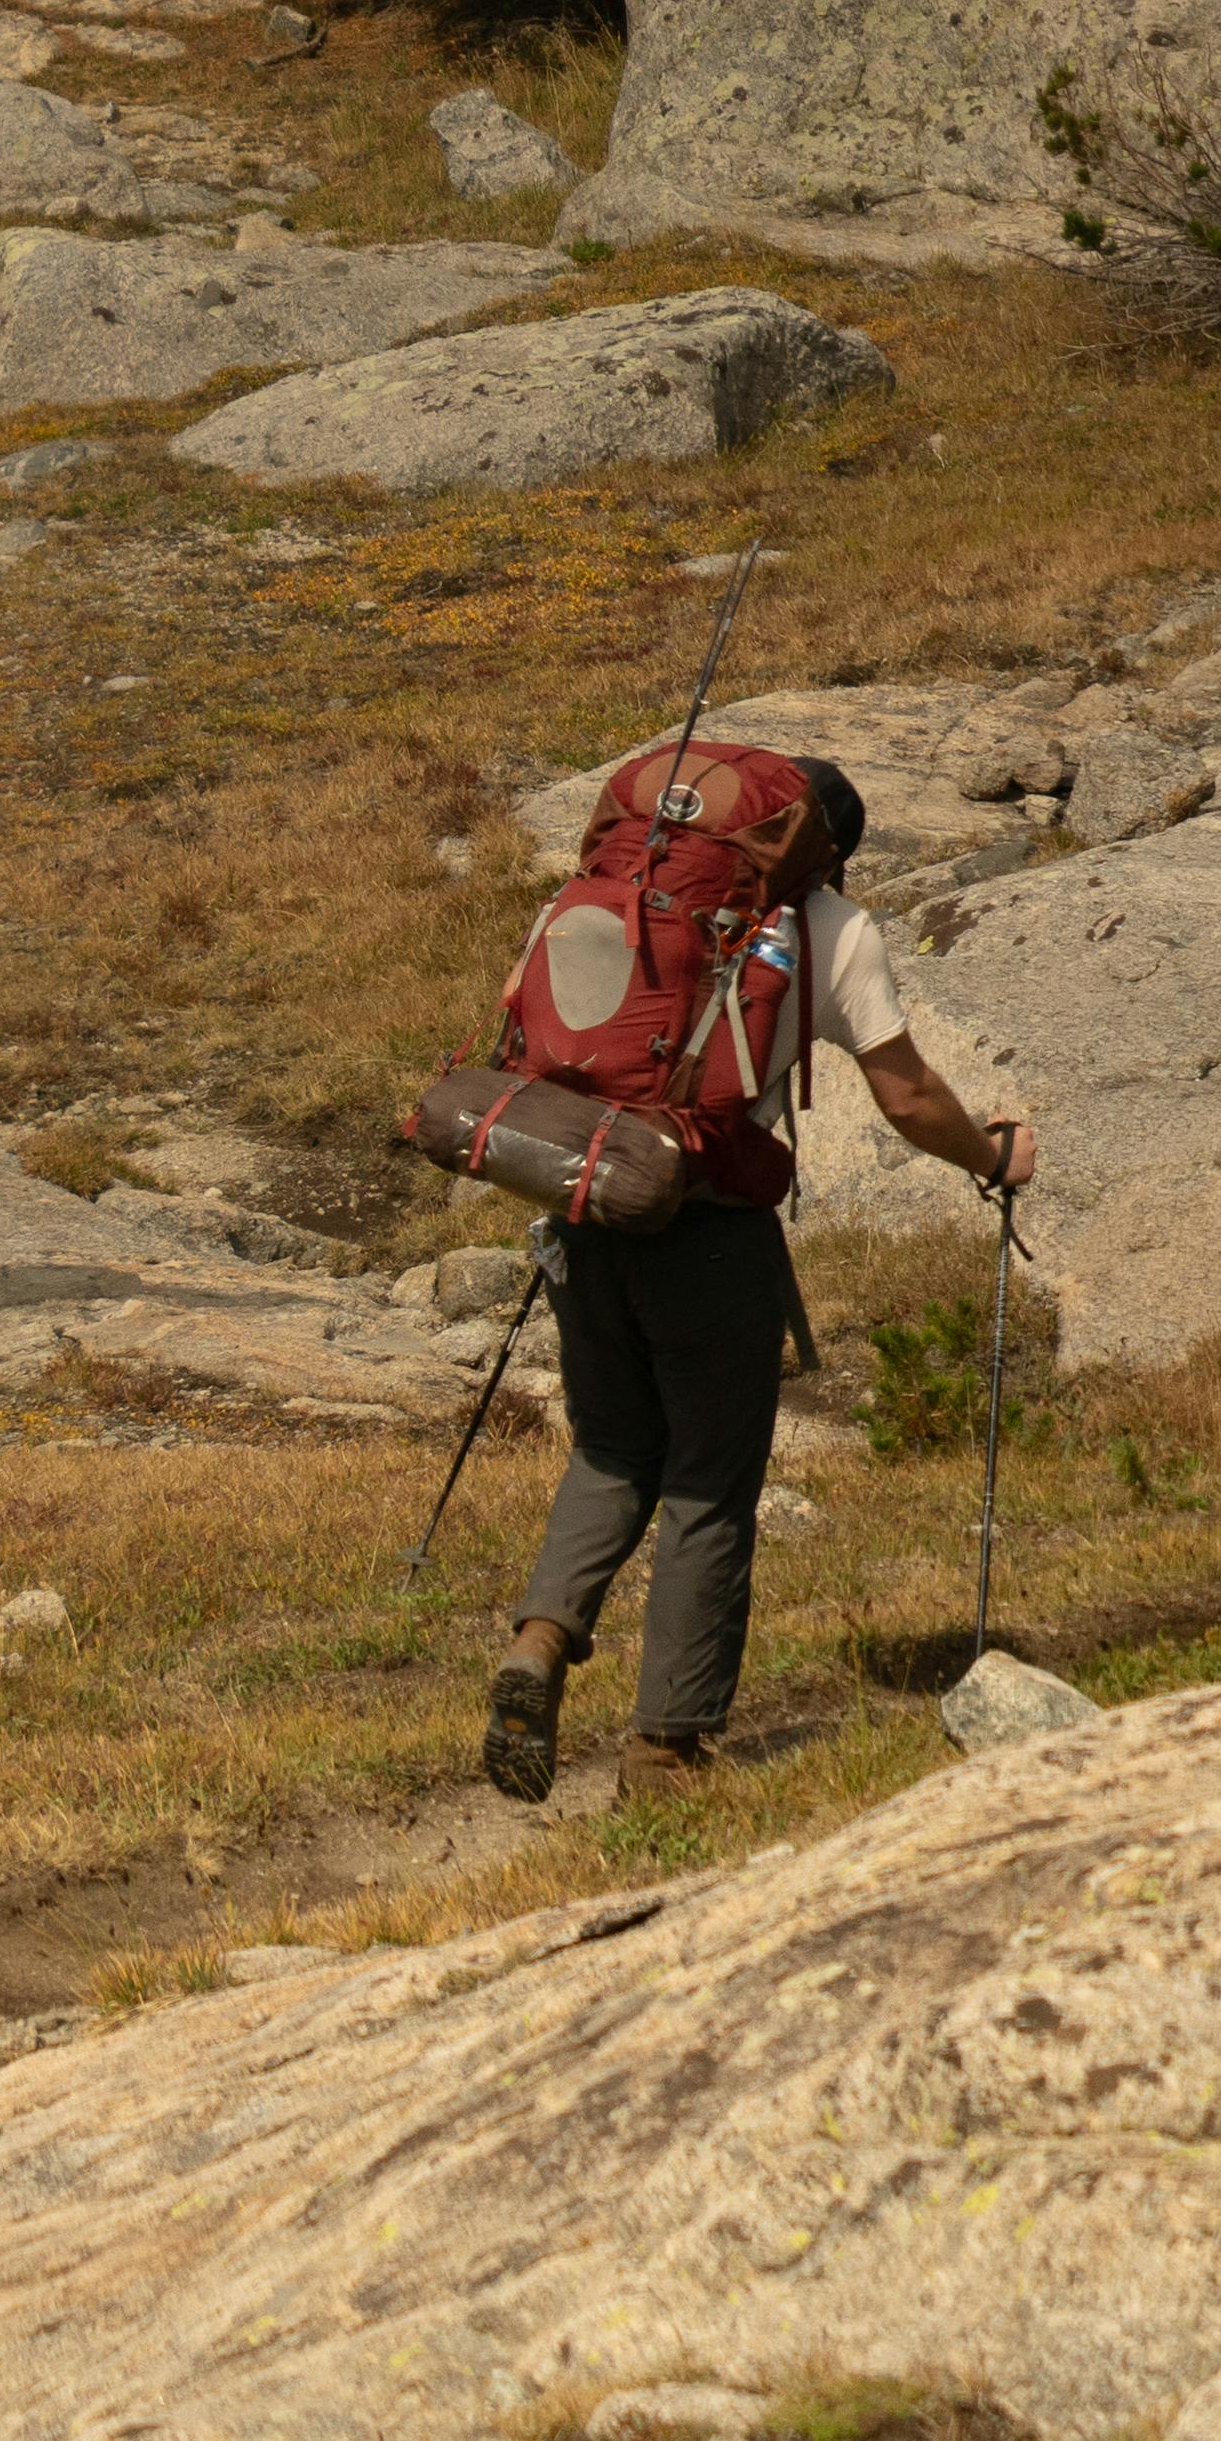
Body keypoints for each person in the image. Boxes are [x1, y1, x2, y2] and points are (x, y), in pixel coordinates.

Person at [487, 759, 1029, 1800]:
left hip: (586, 1203)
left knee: (609, 1449)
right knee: (706, 1483)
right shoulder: (828, 927)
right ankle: (664, 1754)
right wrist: (993, 1157)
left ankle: (539, 1644)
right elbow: (908, 1097)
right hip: (711, 1231)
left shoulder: (611, 886)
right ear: (822, 851)